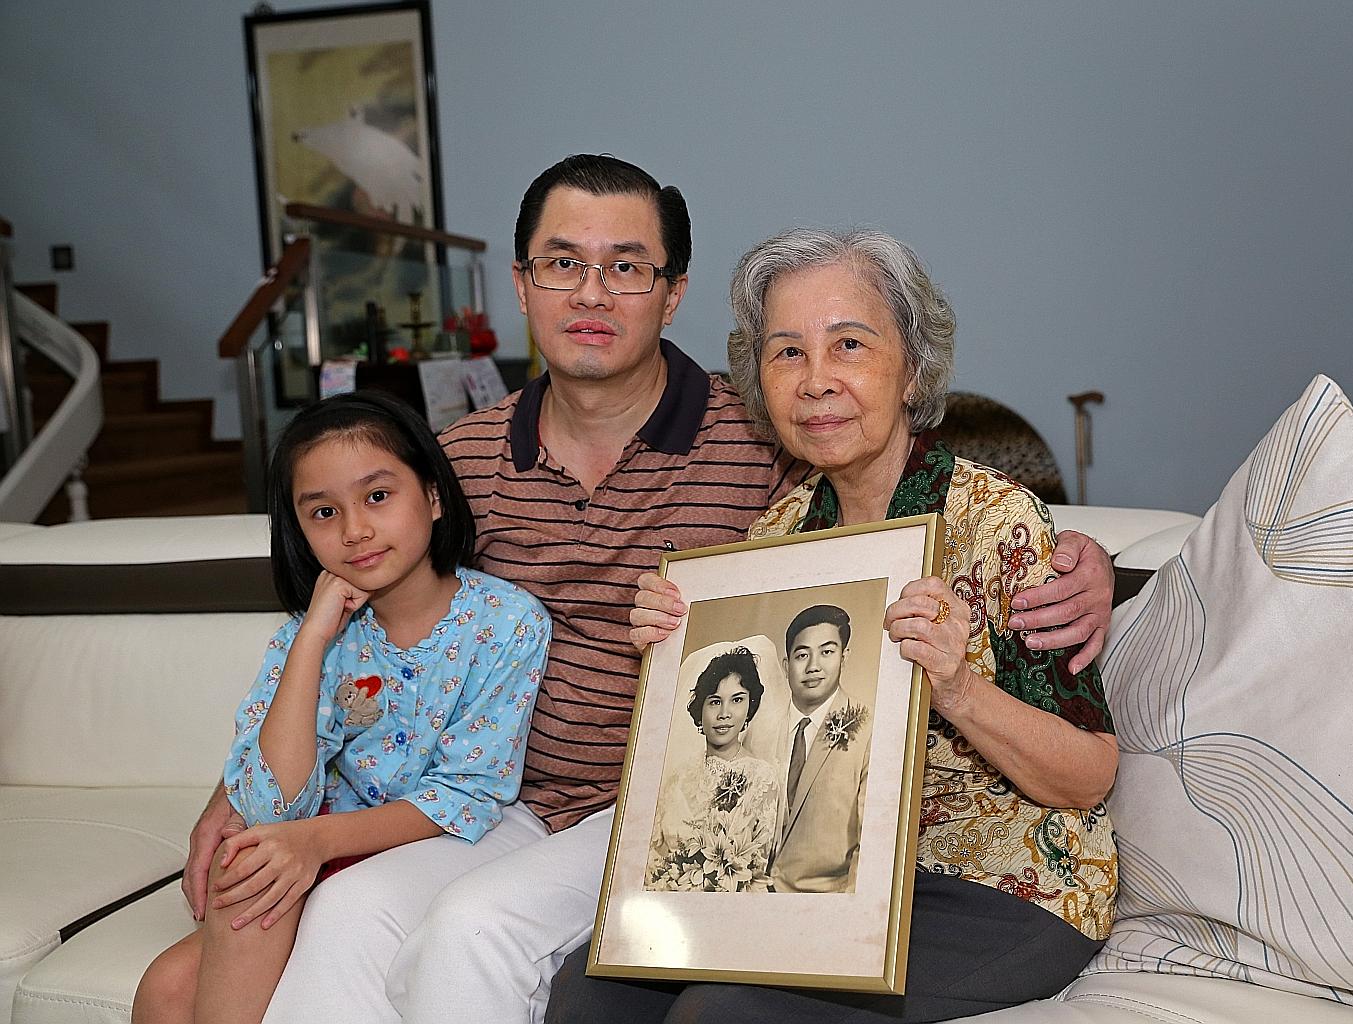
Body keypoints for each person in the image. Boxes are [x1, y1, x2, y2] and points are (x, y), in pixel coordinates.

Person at [178, 155, 1117, 1023]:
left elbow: (966, 560)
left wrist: (1089, 563)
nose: (592, 292)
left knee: (501, 939)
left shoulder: (763, 456)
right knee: (365, 926)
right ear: (521, 285)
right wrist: (241, 797)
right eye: (561, 263)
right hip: (515, 810)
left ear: (670, 296)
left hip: (716, 831)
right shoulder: (455, 466)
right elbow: (354, 592)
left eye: (626, 267)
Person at [551, 227, 1119, 1024]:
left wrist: (955, 688)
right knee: (590, 991)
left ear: (912, 367)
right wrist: (679, 651)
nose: (816, 381)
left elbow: (1090, 774)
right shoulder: (775, 540)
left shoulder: (997, 522)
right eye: (786, 353)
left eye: (848, 344)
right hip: (828, 881)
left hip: (999, 887)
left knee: (722, 1013)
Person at [132, 392, 549, 1024]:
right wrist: (313, 641)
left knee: (260, 867)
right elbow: (270, 802)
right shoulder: (308, 635)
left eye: (377, 497)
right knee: (165, 988)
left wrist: (310, 841)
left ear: (433, 497)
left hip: (424, 849)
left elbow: (467, 794)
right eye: (323, 512)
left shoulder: (505, 622)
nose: (354, 530)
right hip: (320, 845)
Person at [647, 646, 779, 892]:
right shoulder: (678, 776)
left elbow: (752, 868)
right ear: (700, 709)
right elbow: (653, 855)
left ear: (750, 707)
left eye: (737, 700)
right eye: (715, 702)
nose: (724, 714)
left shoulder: (761, 778)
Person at [767, 604, 869, 893]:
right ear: (787, 666)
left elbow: (872, 843)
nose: (813, 666)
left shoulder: (869, 730)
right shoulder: (760, 727)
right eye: (802, 655)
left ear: (843, 657)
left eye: (827, 652)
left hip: (825, 903)